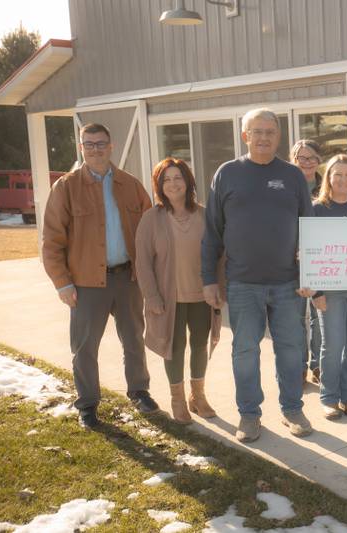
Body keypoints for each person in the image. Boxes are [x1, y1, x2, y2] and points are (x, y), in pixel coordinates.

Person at [201, 108, 314, 443]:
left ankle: (292, 409)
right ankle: (249, 416)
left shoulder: (293, 176)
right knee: (245, 351)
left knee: (291, 350)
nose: (264, 137)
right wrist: (209, 278)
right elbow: (212, 232)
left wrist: (312, 275)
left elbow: (309, 230)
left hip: (288, 284)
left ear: (278, 136)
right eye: (257, 131)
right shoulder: (227, 174)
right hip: (243, 283)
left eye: (270, 131)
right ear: (245, 136)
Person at [42, 123, 157, 429]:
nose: (95, 149)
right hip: (86, 283)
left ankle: (139, 391)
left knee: (133, 338)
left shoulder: (131, 185)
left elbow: (150, 232)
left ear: (111, 145)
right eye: (88, 144)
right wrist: (62, 282)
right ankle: (88, 404)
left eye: (100, 143)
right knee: (85, 345)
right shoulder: (66, 187)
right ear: (81, 148)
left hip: (128, 278)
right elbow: (52, 241)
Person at [135, 158, 222, 424]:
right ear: (160, 185)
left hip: (201, 295)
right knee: (174, 347)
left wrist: (218, 286)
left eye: (178, 178)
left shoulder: (204, 214)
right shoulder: (152, 218)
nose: (173, 184)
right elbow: (143, 261)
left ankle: (198, 396)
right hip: (168, 298)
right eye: (166, 179)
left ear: (188, 182)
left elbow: (219, 254)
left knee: (198, 344)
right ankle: (178, 400)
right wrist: (151, 296)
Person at [303, 155, 347, 419]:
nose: (343, 180)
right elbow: (308, 252)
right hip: (329, 290)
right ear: (328, 178)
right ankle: (329, 397)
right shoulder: (317, 209)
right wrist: (316, 292)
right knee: (332, 344)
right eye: (338, 174)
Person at [290, 139, 323, 384]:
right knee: (295, 318)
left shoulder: (327, 186)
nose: (307, 162)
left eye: (311, 157)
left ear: (319, 160)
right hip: (292, 260)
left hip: (322, 262)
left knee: (319, 315)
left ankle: (319, 366)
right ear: (294, 160)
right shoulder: (286, 186)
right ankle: (298, 366)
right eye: (302, 158)